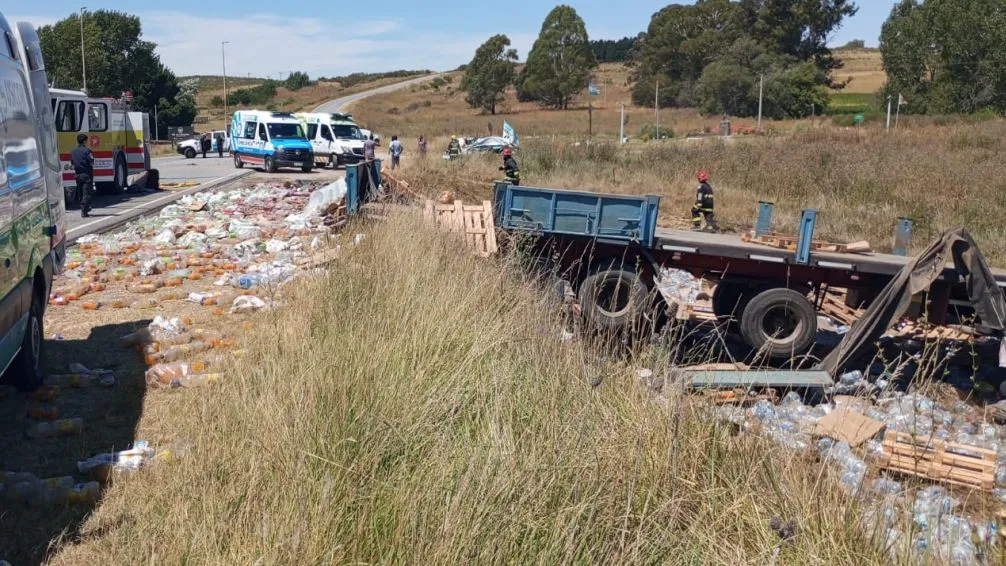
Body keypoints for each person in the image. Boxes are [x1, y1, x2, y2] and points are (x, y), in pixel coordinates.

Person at [70, 134, 95, 217]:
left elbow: (72, 163)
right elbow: (91, 162)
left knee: (80, 193)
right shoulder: (87, 151)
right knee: (86, 193)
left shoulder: (73, 151)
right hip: (86, 174)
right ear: (84, 141)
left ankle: (84, 207)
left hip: (77, 175)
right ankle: (84, 211)